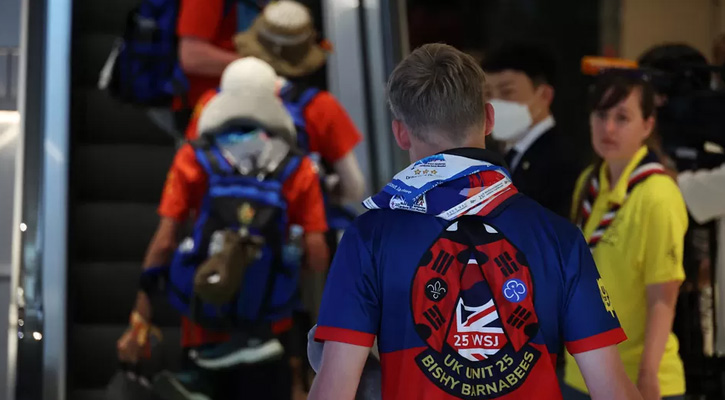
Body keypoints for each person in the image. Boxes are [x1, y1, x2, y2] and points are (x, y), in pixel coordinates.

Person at [309, 43, 641, 400]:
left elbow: (335, 390)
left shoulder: (369, 236)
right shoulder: (560, 238)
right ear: (489, 117)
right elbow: (612, 391)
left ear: (400, 133)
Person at [117, 57, 330, 400]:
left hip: (202, 320)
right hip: (270, 330)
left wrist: (140, 315)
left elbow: (165, 241)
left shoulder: (194, 158)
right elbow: (318, 254)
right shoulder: (298, 167)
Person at [562, 71, 688, 400]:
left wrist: (648, 376)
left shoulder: (658, 194)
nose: (609, 128)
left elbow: (664, 295)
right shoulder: (588, 183)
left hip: (637, 378)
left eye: (623, 117)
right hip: (581, 372)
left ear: (647, 125)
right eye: (601, 116)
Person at [184, 0, 366, 208]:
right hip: (297, 232)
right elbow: (354, 187)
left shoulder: (212, 102)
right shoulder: (320, 107)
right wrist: (322, 188)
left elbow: (190, 174)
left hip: (225, 227)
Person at [483, 42, 588, 218]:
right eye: (488, 94)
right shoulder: (499, 157)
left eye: (507, 92)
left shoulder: (562, 161)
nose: (495, 103)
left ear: (544, 95)